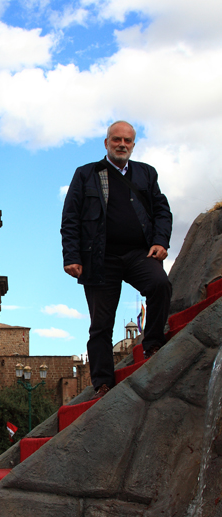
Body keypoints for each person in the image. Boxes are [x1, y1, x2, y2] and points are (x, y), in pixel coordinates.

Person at [61, 120, 173, 397]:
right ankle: (102, 382)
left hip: (139, 252)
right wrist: (71, 256)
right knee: (101, 323)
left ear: (133, 144)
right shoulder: (85, 174)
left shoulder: (146, 174)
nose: (122, 145)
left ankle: (154, 344)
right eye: (116, 140)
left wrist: (160, 241)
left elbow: (162, 211)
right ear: (106, 143)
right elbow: (71, 217)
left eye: (128, 141)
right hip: (99, 257)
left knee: (160, 285)